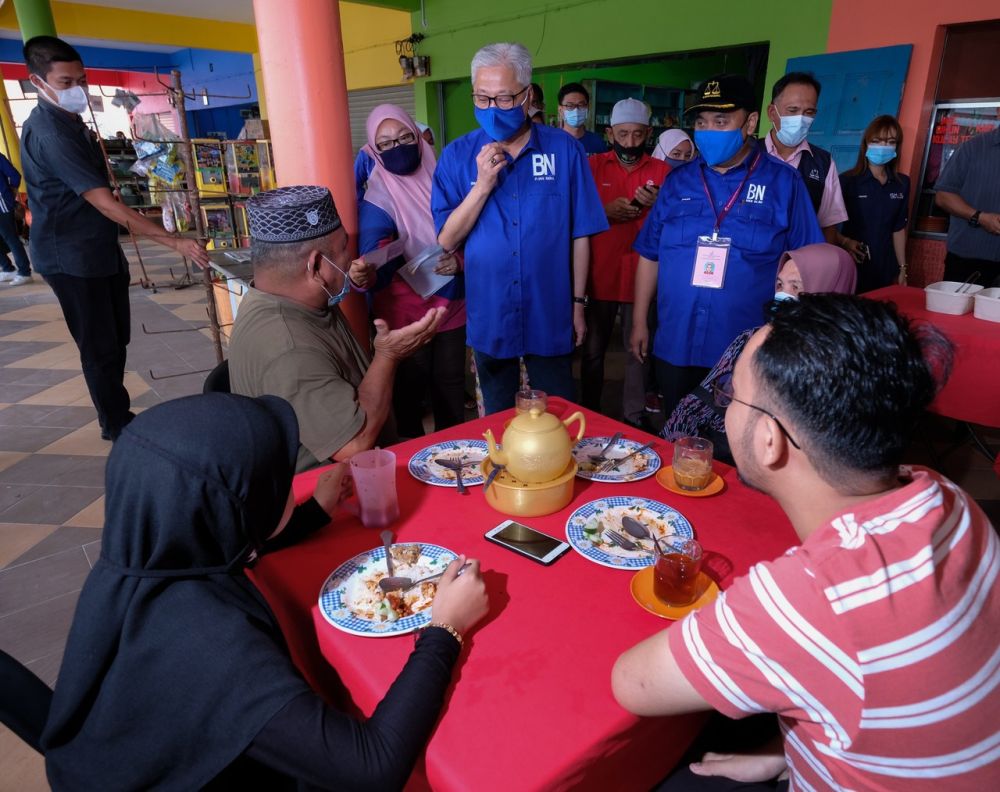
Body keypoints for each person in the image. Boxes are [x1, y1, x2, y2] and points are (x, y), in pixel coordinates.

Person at [613, 293, 1000, 790]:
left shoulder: (809, 598)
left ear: (769, 439)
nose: (725, 403)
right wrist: (786, 749)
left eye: (733, 394)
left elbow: (633, 685)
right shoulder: (944, 496)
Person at [41, 393, 490, 790]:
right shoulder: (211, 647)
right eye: (271, 479)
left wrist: (313, 512)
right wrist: (445, 629)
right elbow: (372, 767)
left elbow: (226, 546)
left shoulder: (141, 558)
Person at [19, 36, 209, 442]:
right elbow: (105, 204)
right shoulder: (50, 132)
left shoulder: (71, 123)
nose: (78, 90)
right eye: (66, 82)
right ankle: (116, 425)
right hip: (70, 257)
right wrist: (174, 242)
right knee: (100, 346)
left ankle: (119, 413)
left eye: (82, 79)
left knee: (116, 337)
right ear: (38, 82)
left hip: (98, 249)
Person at [631, 74, 823, 419]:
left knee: (734, 446)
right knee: (678, 435)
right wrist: (639, 322)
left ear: (750, 122)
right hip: (676, 339)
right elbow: (650, 254)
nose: (708, 131)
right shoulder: (677, 182)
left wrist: (789, 334)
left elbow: (808, 266)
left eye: (721, 121)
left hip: (744, 348)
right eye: (702, 122)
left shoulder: (784, 183)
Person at [432, 42, 607, 414]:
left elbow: (580, 234)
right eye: (482, 98)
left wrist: (578, 304)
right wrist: (481, 186)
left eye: (504, 98)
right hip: (491, 311)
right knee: (497, 419)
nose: (492, 109)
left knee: (557, 415)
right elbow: (447, 239)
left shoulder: (564, 151)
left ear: (528, 96)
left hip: (551, 309)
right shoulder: (458, 156)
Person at [228, 185, 444, 472]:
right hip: (332, 490)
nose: (352, 259)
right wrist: (388, 356)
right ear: (317, 266)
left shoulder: (300, 298)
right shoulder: (287, 346)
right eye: (344, 248)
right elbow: (355, 441)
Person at [662, 243, 856, 462]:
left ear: (830, 291)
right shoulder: (752, 338)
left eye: (797, 288)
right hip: (720, 459)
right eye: (780, 285)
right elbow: (697, 403)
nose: (783, 297)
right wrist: (676, 445)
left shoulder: (846, 369)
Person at [358, 104, 466, 438]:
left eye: (406, 137)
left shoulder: (448, 180)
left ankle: (455, 457)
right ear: (373, 151)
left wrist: (460, 261)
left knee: (450, 386)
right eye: (386, 144)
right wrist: (369, 270)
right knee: (409, 393)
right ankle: (413, 467)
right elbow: (372, 255)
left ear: (419, 138)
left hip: (452, 304)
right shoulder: (376, 198)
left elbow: (476, 231)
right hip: (403, 313)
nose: (398, 147)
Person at [582, 98, 668, 427]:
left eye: (637, 134)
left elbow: (675, 219)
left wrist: (659, 204)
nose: (630, 142)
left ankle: (633, 418)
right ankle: (588, 412)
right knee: (592, 351)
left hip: (642, 278)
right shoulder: (592, 167)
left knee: (638, 351)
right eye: (622, 134)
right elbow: (573, 215)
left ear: (648, 133)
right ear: (609, 133)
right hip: (599, 275)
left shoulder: (662, 172)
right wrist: (605, 212)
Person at [763, 72, 848, 242]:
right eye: (793, 110)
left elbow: (828, 225)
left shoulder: (823, 163)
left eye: (809, 112)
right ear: (772, 112)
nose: (801, 119)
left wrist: (819, 265)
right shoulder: (748, 154)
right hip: (752, 263)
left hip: (800, 264)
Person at [839, 115, 911, 291]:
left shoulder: (902, 183)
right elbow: (827, 225)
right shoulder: (848, 181)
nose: (883, 147)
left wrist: (903, 268)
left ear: (897, 147)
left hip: (886, 265)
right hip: (853, 262)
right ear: (866, 144)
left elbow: (898, 228)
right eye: (877, 141)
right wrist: (846, 242)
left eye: (890, 141)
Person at [934, 121, 1000, 285]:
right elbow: (943, 196)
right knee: (957, 310)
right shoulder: (972, 148)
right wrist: (980, 217)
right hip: (968, 261)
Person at [0, 152, 32, 286]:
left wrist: (10, 192)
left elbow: (15, 176)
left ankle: (24, 272)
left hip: (1, 203)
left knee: (10, 237)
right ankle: (7, 268)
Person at [556, 81, 608, 155]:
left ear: (587, 108)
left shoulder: (597, 142)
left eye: (581, 105)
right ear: (560, 110)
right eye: (570, 105)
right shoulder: (552, 142)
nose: (576, 110)